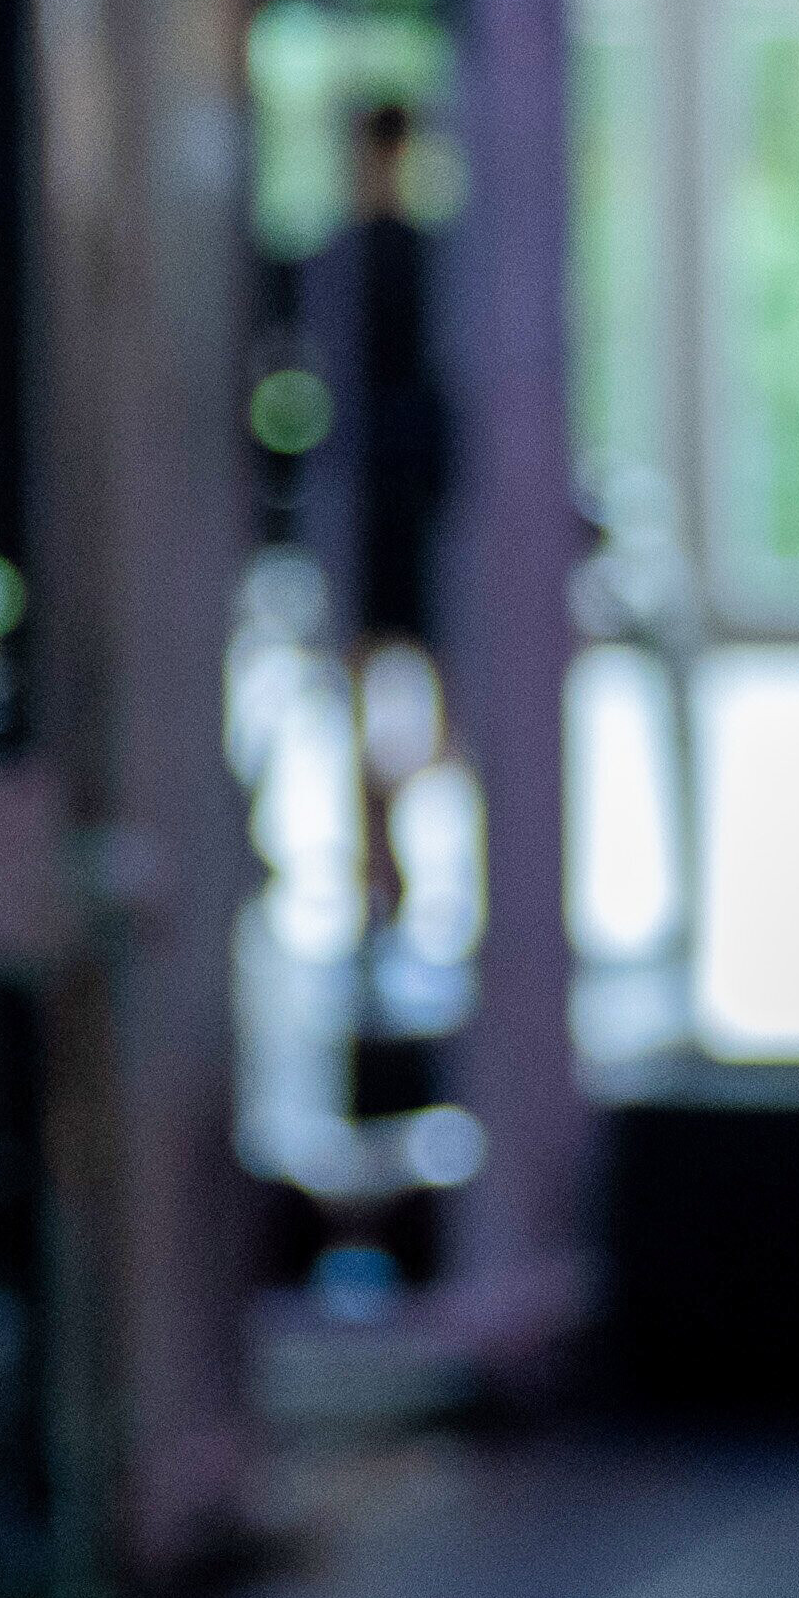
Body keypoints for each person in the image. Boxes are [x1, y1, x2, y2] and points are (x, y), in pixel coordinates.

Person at [303, 96, 457, 954]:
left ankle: (396, 837)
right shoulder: (337, 258)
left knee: (443, 692)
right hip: (366, 497)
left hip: (415, 498)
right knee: (360, 686)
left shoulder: (429, 254)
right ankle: (381, 865)